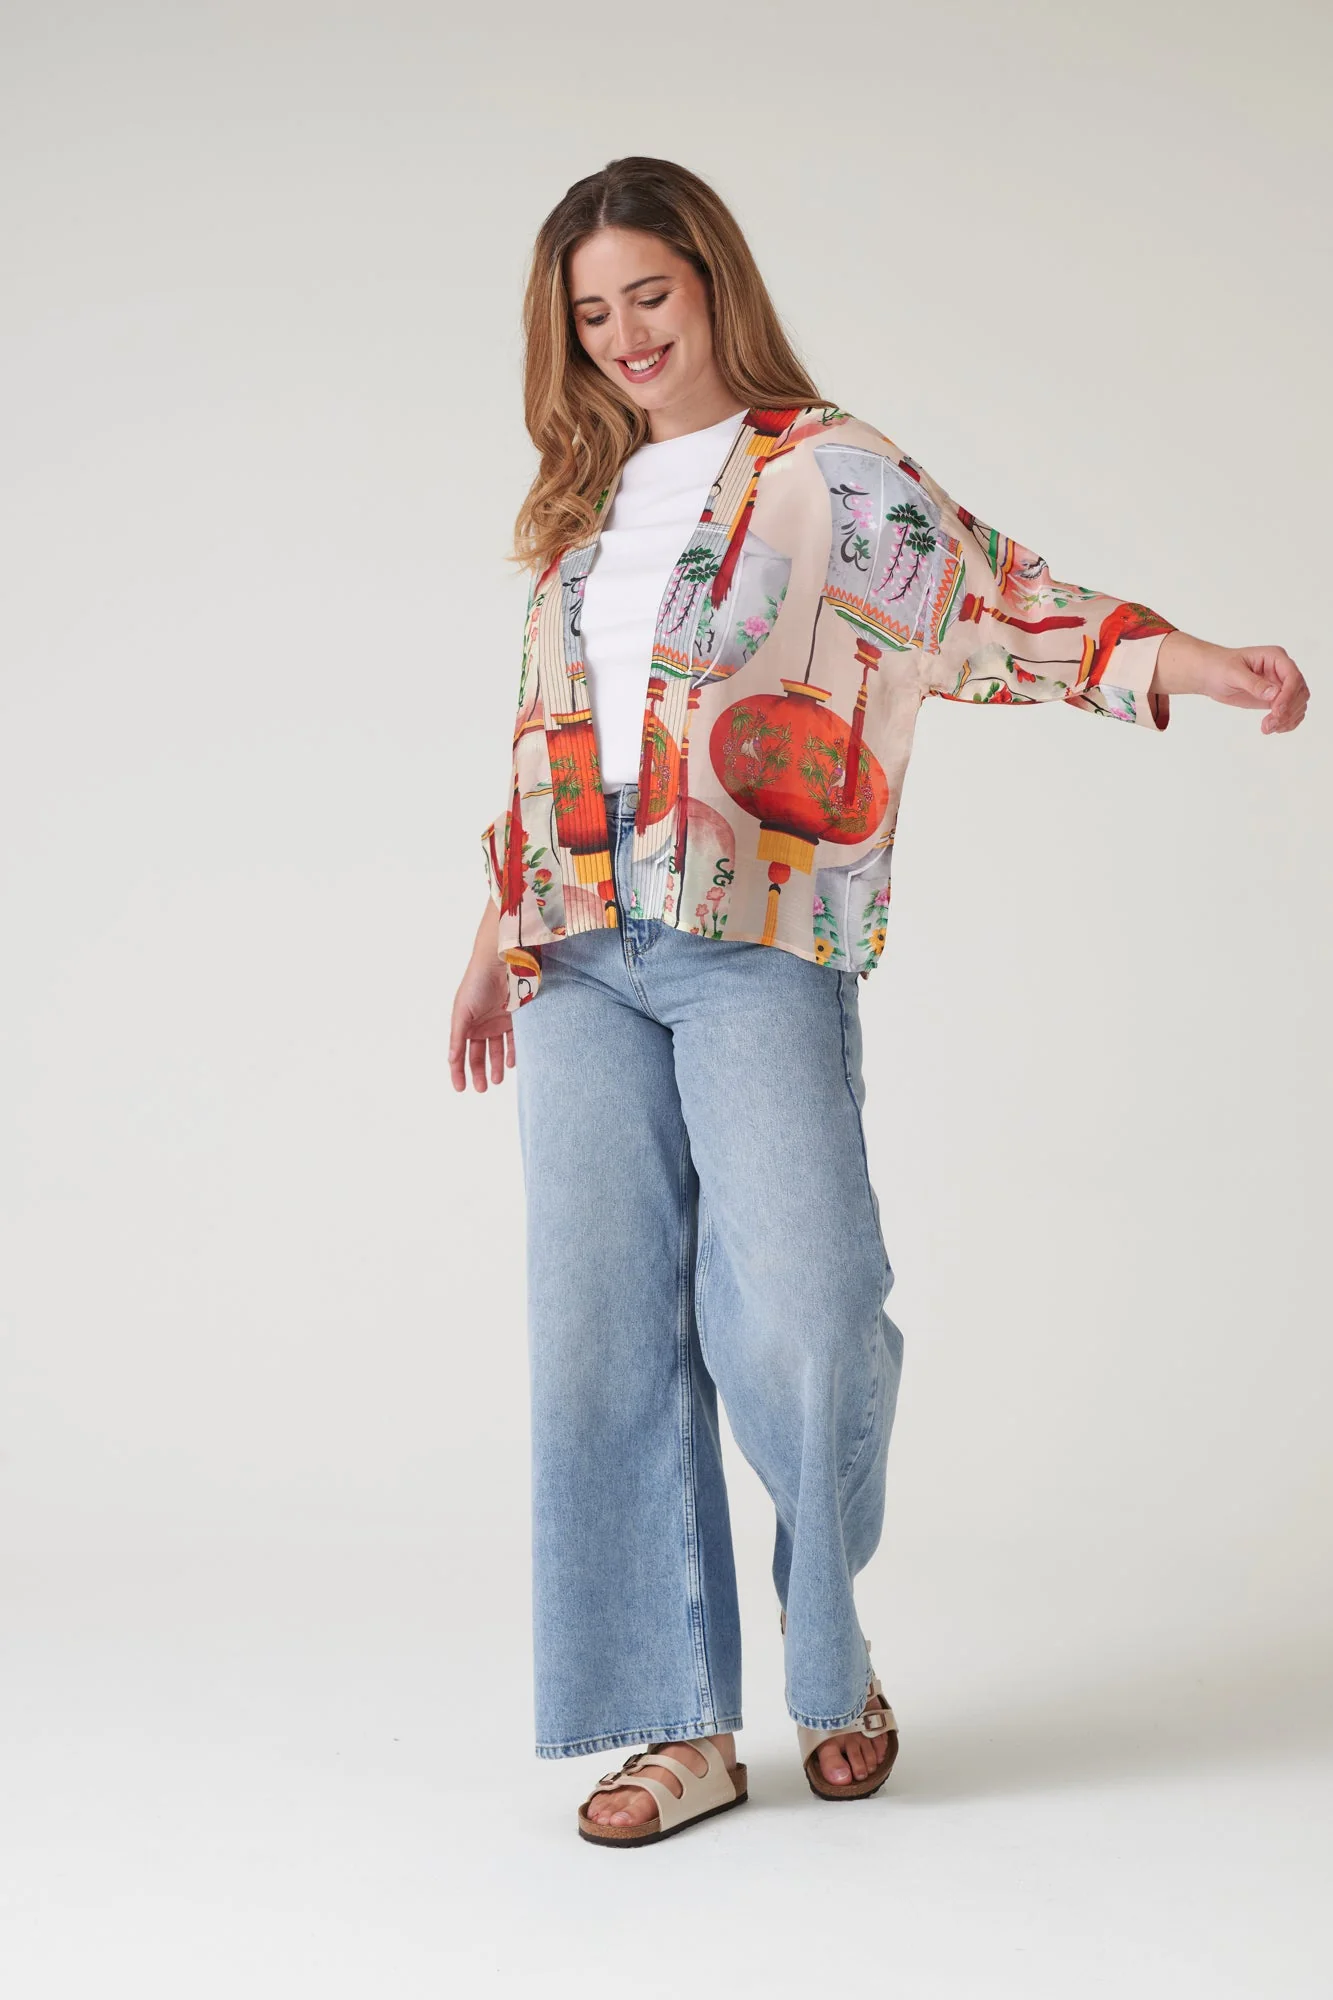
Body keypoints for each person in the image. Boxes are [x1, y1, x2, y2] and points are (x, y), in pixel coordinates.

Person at [448, 157, 1309, 1848]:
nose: (625, 334)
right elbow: (553, 747)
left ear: (713, 282)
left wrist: (1196, 664)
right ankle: (679, 1731)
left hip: (754, 935)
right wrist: (489, 940)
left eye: (649, 293)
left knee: (814, 1306)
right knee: (600, 1337)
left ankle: (829, 1653)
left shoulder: (823, 471)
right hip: (576, 957)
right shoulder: (580, 511)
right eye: (592, 311)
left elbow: (996, 599)